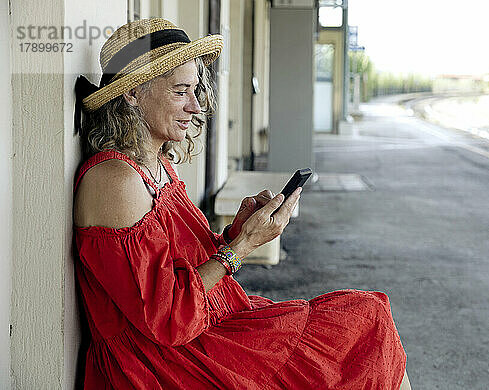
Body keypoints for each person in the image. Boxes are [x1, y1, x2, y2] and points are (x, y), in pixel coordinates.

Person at [74, 18, 409, 389]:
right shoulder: (114, 181)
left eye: (196, 91)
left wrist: (238, 230)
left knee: (366, 319)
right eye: (180, 91)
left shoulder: (158, 165)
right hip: (163, 360)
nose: (195, 107)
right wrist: (243, 245)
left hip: (207, 325)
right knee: (363, 322)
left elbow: (185, 266)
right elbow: (166, 316)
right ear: (133, 93)